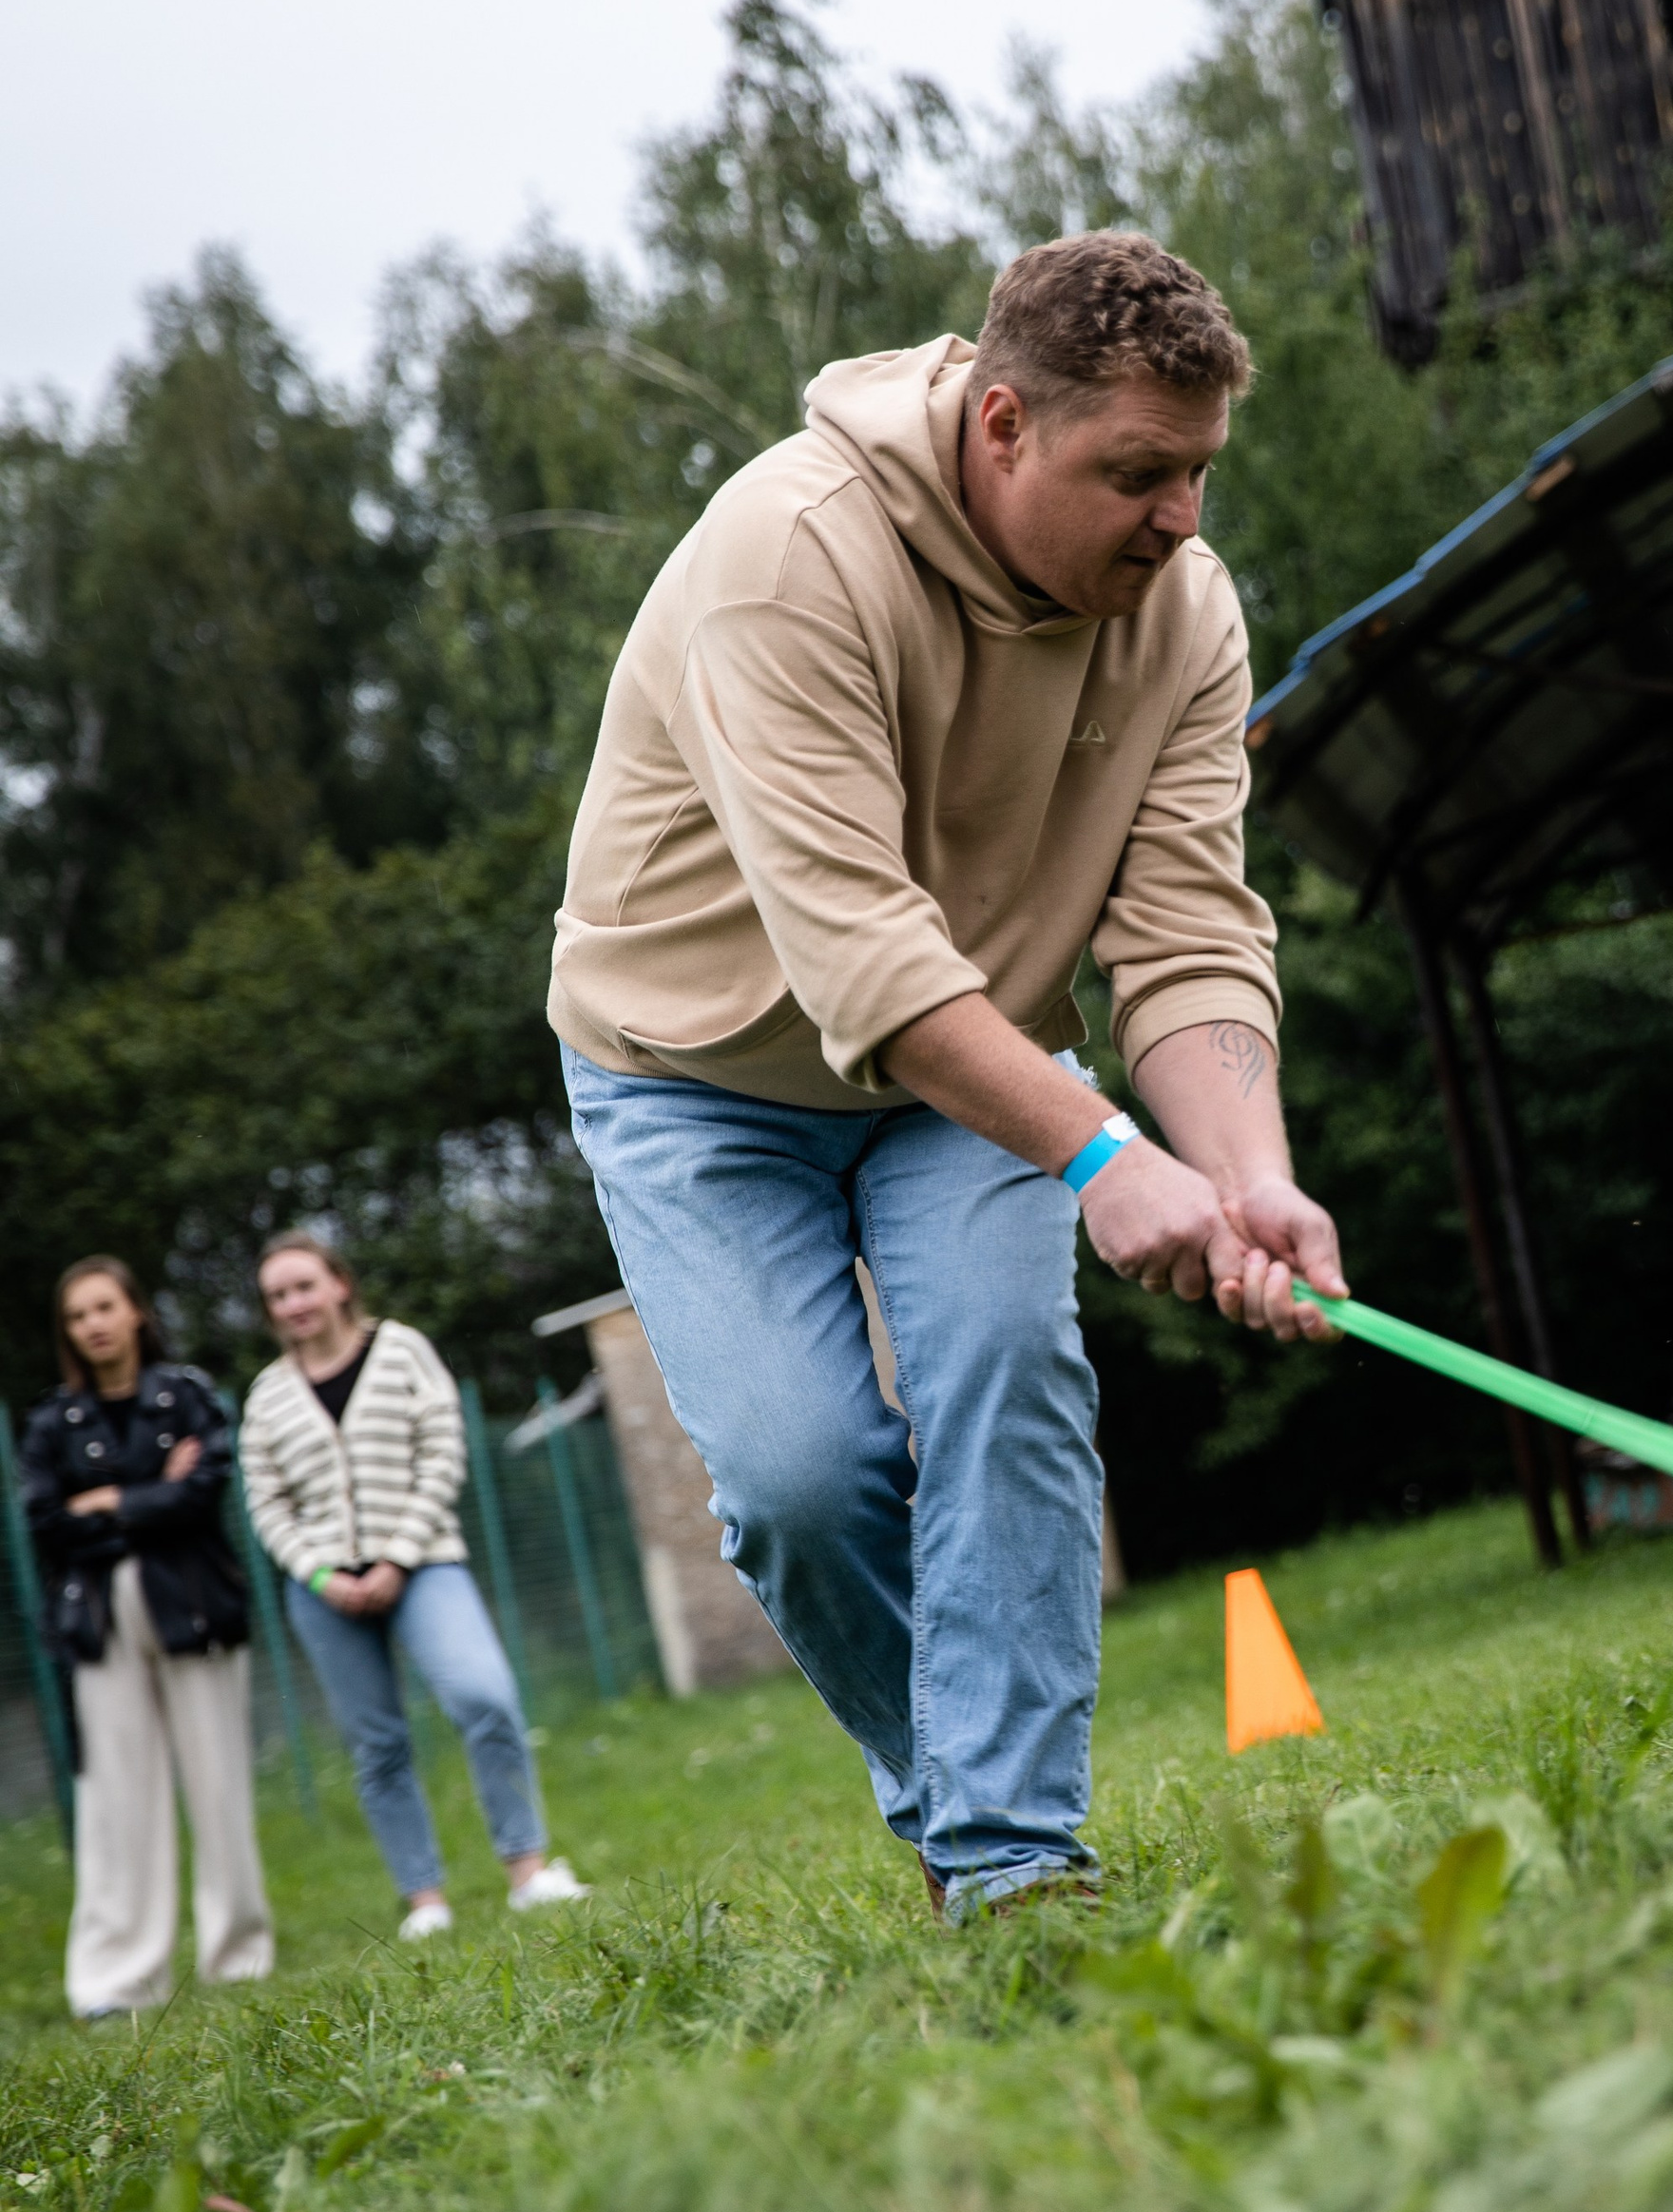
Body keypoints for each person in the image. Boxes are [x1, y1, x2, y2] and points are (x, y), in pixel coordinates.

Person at [551, 231, 1347, 1917]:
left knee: (1005, 1364)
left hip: (964, 1069)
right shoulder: (792, 557)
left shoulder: (1181, 612)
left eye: (1199, 471)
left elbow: (1190, 925)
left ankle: (1010, 1862)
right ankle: (960, 1800)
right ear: (1002, 427)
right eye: (1137, 472)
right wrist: (1106, 1158)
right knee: (796, 1473)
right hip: (695, 1074)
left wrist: (1243, 1170)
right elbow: (863, 961)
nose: (1182, 518)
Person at [239, 1232, 587, 1938]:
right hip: (322, 1592)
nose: (293, 1304)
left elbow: (443, 1450)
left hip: (424, 1564)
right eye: (277, 1295)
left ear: (339, 1283)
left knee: (484, 1697)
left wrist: (397, 1557)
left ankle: (528, 1872)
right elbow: (265, 1501)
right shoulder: (267, 1395)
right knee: (377, 1745)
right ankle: (424, 1901)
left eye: (303, 1285)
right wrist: (318, 1573)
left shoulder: (400, 1350)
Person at [18, 1257, 275, 2019]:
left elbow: (205, 1493)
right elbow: (46, 1523)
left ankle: (238, 1956)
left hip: (194, 1605)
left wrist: (108, 1501)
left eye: (105, 1307)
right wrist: (148, 1496)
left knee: (219, 1780)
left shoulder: (187, 1396)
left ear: (135, 1313)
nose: (93, 1324)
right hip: (98, 1618)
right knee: (115, 1799)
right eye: (77, 1315)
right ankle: (116, 1980)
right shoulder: (49, 1424)